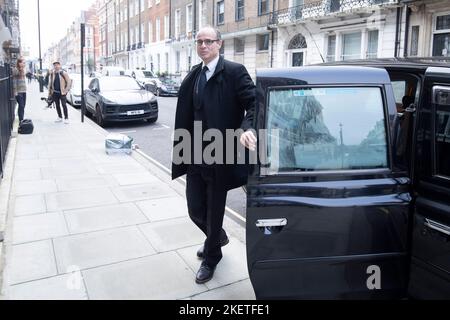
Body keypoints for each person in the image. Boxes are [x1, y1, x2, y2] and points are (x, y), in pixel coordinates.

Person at [171, 26, 257, 284]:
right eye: (199, 42)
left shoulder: (234, 72)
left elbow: (254, 103)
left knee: (215, 209)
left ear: (219, 44)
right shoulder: (195, 75)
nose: (203, 46)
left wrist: (247, 128)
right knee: (195, 208)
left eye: (208, 41)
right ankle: (215, 237)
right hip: (196, 152)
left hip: (221, 154)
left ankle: (211, 258)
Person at [12, 57, 27, 122]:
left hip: (24, 91)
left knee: (23, 106)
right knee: (21, 105)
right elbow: (14, 81)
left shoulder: (23, 70)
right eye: (22, 62)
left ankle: (21, 118)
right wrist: (15, 91)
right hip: (18, 91)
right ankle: (21, 120)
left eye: (24, 63)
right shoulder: (15, 70)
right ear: (19, 63)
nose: (23, 64)